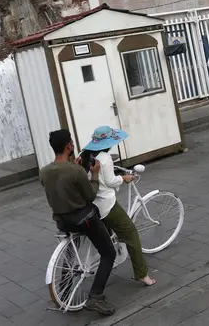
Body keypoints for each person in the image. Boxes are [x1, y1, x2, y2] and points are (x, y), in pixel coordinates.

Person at [39, 129, 117, 316]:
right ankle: (95, 297)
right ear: (68, 145)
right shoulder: (75, 170)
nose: (73, 144)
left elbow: (61, 188)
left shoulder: (44, 171)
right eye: (72, 142)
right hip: (84, 219)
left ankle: (64, 293)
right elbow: (90, 195)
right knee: (108, 253)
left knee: (70, 253)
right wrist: (95, 174)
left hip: (62, 221)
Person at [80, 126, 156, 287]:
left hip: (92, 203)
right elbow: (110, 181)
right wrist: (124, 177)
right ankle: (142, 274)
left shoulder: (86, 154)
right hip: (106, 205)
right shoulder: (105, 158)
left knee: (110, 233)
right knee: (131, 233)